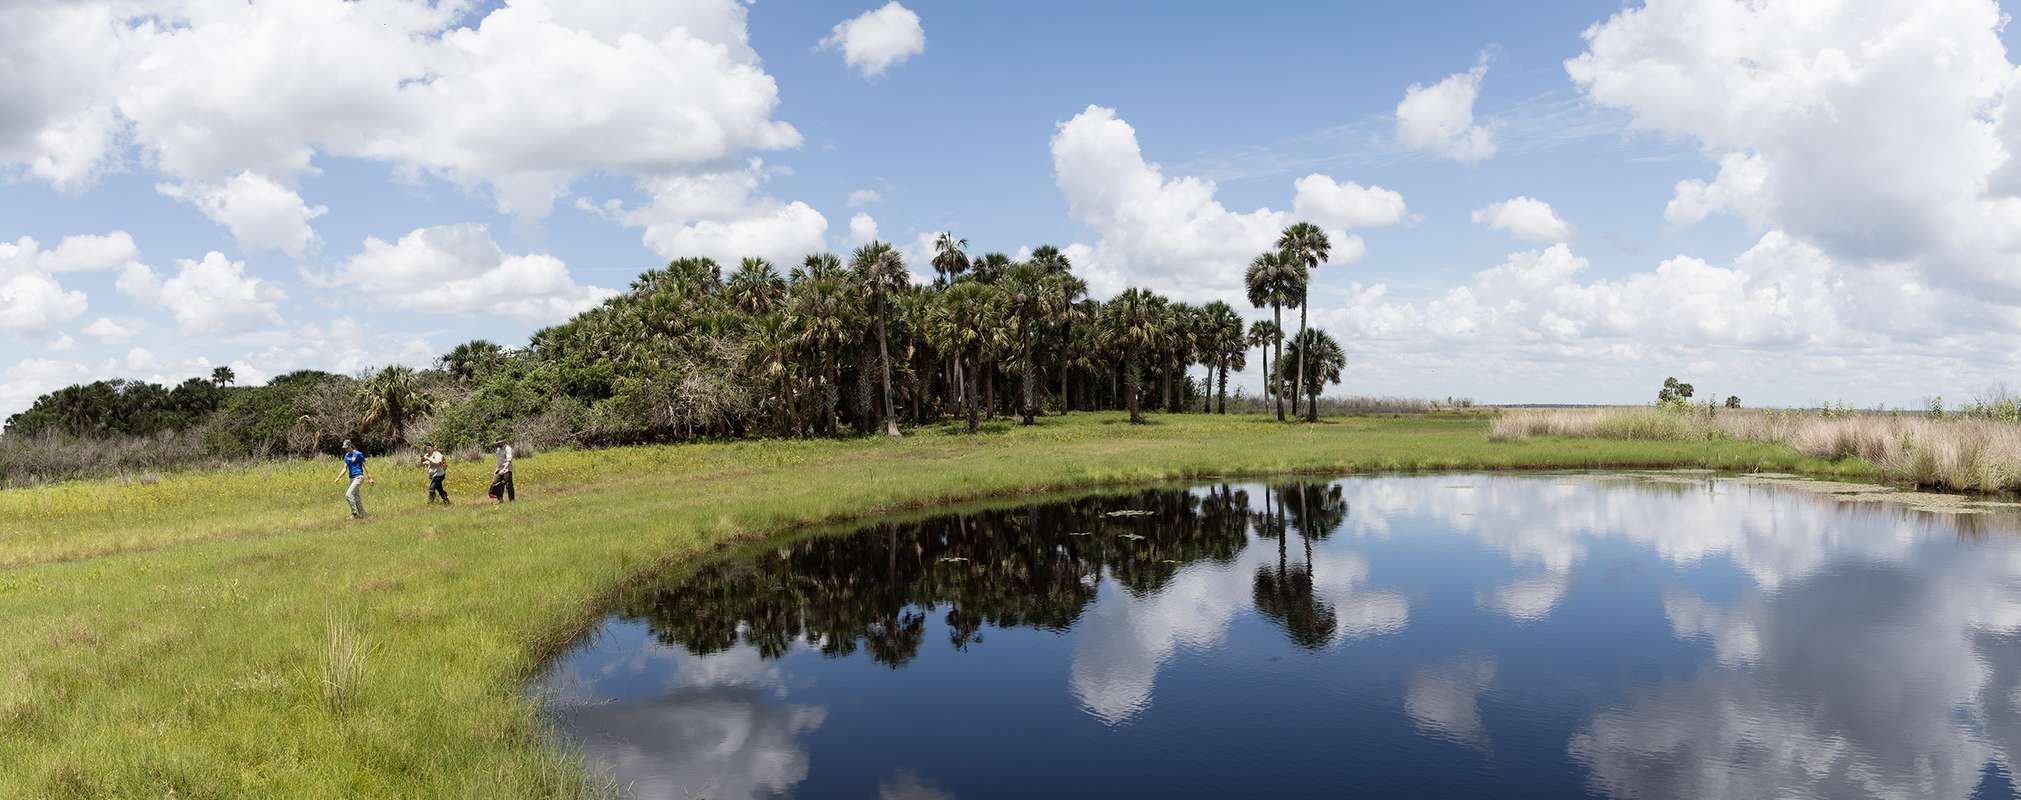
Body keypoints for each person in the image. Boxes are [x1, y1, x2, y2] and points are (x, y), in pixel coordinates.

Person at [338, 439, 373, 519]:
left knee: (348, 494)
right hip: (351, 478)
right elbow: (345, 468)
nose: (346, 449)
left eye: (347, 447)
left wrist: (370, 478)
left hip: (359, 477)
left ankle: (354, 514)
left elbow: (365, 465)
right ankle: (363, 514)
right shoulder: (347, 455)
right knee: (356, 496)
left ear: (350, 446)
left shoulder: (358, 454)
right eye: (345, 448)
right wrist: (339, 477)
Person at [490, 438, 515, 504]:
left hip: (507, 469)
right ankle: (500, 499)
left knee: (508, 485)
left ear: (503, 442)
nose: (497, 444)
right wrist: (497, 469)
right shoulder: (498, 449)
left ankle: (512, 501)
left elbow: (509, 460)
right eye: (497, 443)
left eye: (498, 443)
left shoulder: (508, 449)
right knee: (495, 483)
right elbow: (499, 460)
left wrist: (504, 469)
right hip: (500, 469)